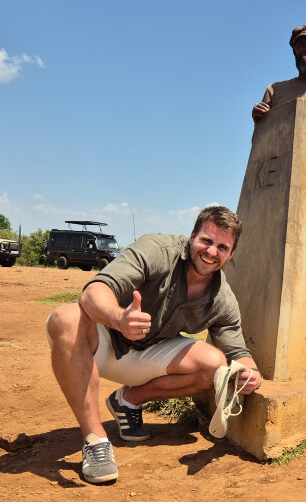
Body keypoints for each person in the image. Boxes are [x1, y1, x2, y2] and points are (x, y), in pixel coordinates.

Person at [46, 205, 261, 484]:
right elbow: (94, 292)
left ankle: (128, 401)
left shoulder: (222, 299)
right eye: (206, 240)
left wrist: (251, 373)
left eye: (222, 247)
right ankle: (95, 439)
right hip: (103, 341)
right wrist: (119, 318)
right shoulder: (156, 250)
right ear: (192, 236)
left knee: (214, 364)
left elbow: (237, 352)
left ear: (231, 255)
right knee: (67, 318)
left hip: (148, 355)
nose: (211, 251)